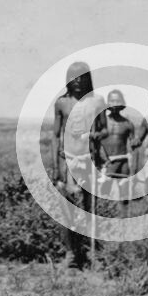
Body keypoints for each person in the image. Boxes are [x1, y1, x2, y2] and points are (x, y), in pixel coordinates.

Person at [52, 62, 107, 268]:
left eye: (82, 77)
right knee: (68, 209)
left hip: (89, 160)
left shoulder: (97, 101)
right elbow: (55, 136)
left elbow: (105, 130)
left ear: (87, 79)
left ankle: (93, 254)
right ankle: (70, 254)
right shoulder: (62, 103)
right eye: (74, 77)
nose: (78, 81)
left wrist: (94, 134)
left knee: (90, 207)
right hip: (67, 160)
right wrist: (56, 166)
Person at [99, 89, 134, 217]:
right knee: (104, 195)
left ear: (122, 103)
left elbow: (133, 146)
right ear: (107, 103)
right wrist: (102, 159)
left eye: (117, 100)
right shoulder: (100, 123)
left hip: (123, 162)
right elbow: (95, 143)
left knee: (124, 197)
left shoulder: (128, 124)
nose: (114, 103)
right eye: (112, 100)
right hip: (106, 163)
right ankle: (104, 224)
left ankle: (125, 224)